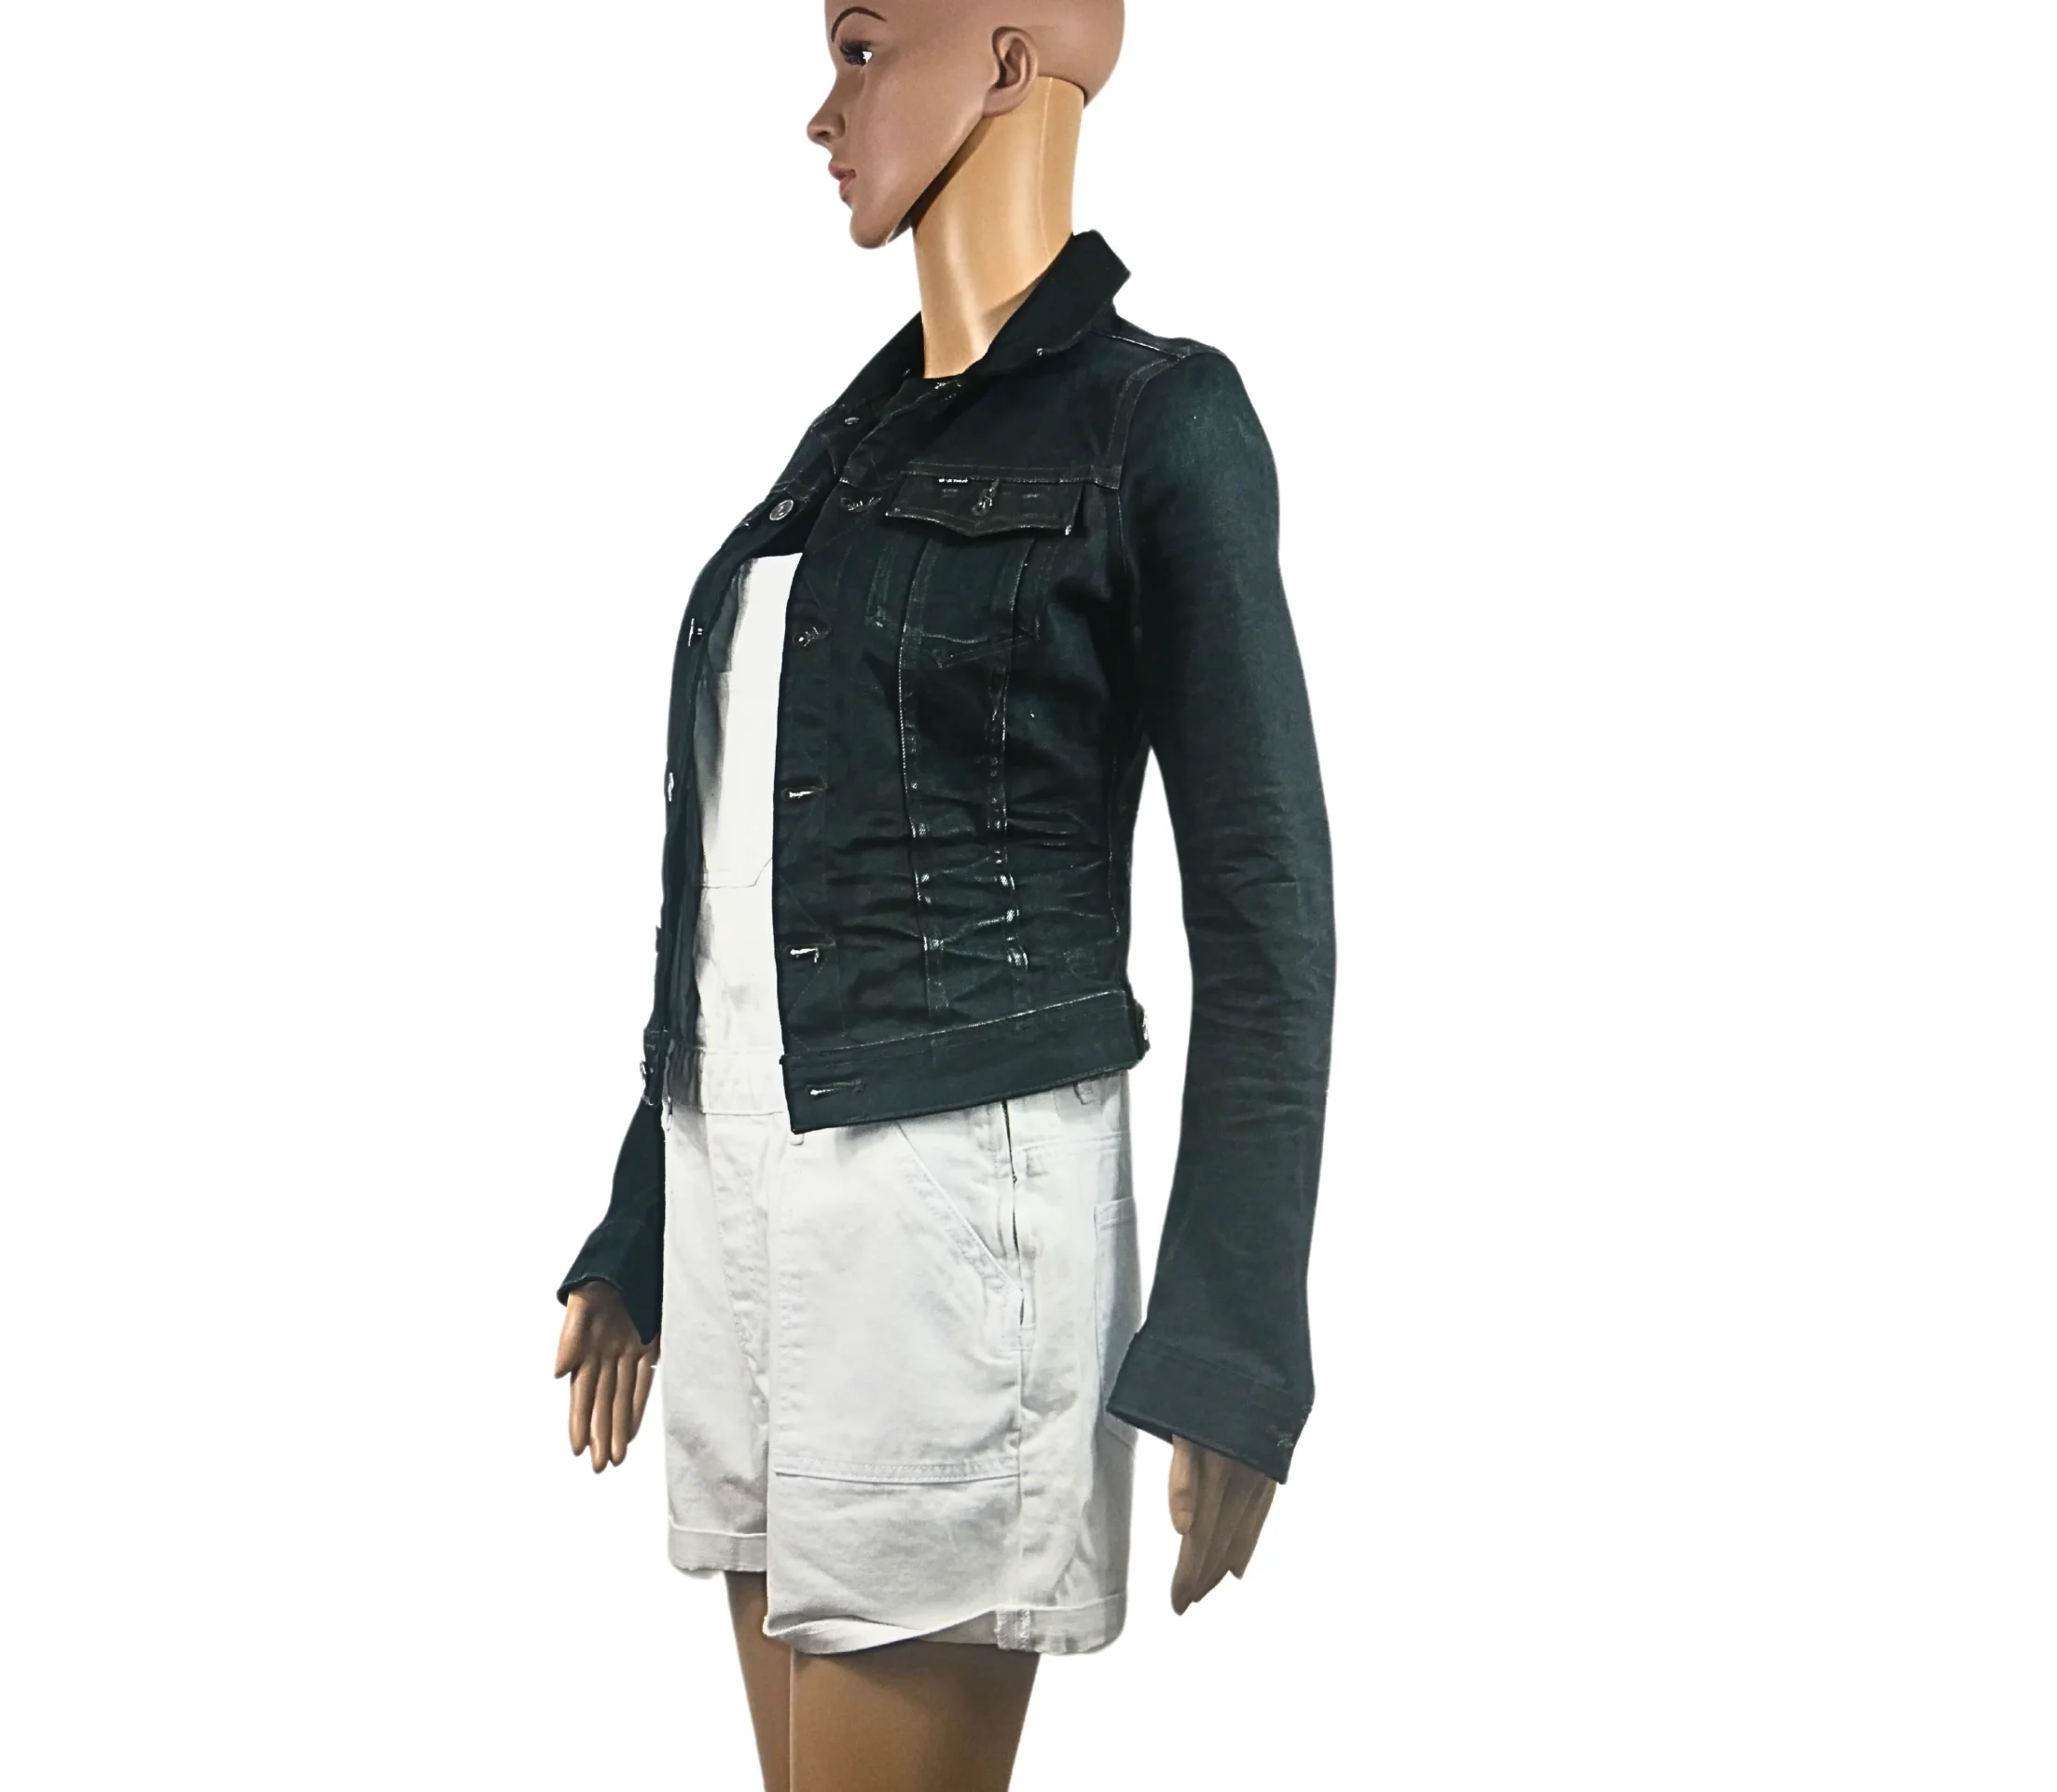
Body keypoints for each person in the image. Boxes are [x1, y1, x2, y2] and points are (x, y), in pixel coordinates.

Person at [552, 5, 1335, 1785]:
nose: (819, 112)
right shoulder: (849, 447)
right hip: (744, 1200)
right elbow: (739, 875)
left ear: (1000, 59)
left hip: (948, 1223)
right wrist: (644, 1212)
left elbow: (1266, 901)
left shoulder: (1159, 419)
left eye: (858, 49)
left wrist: (1234, 1334)